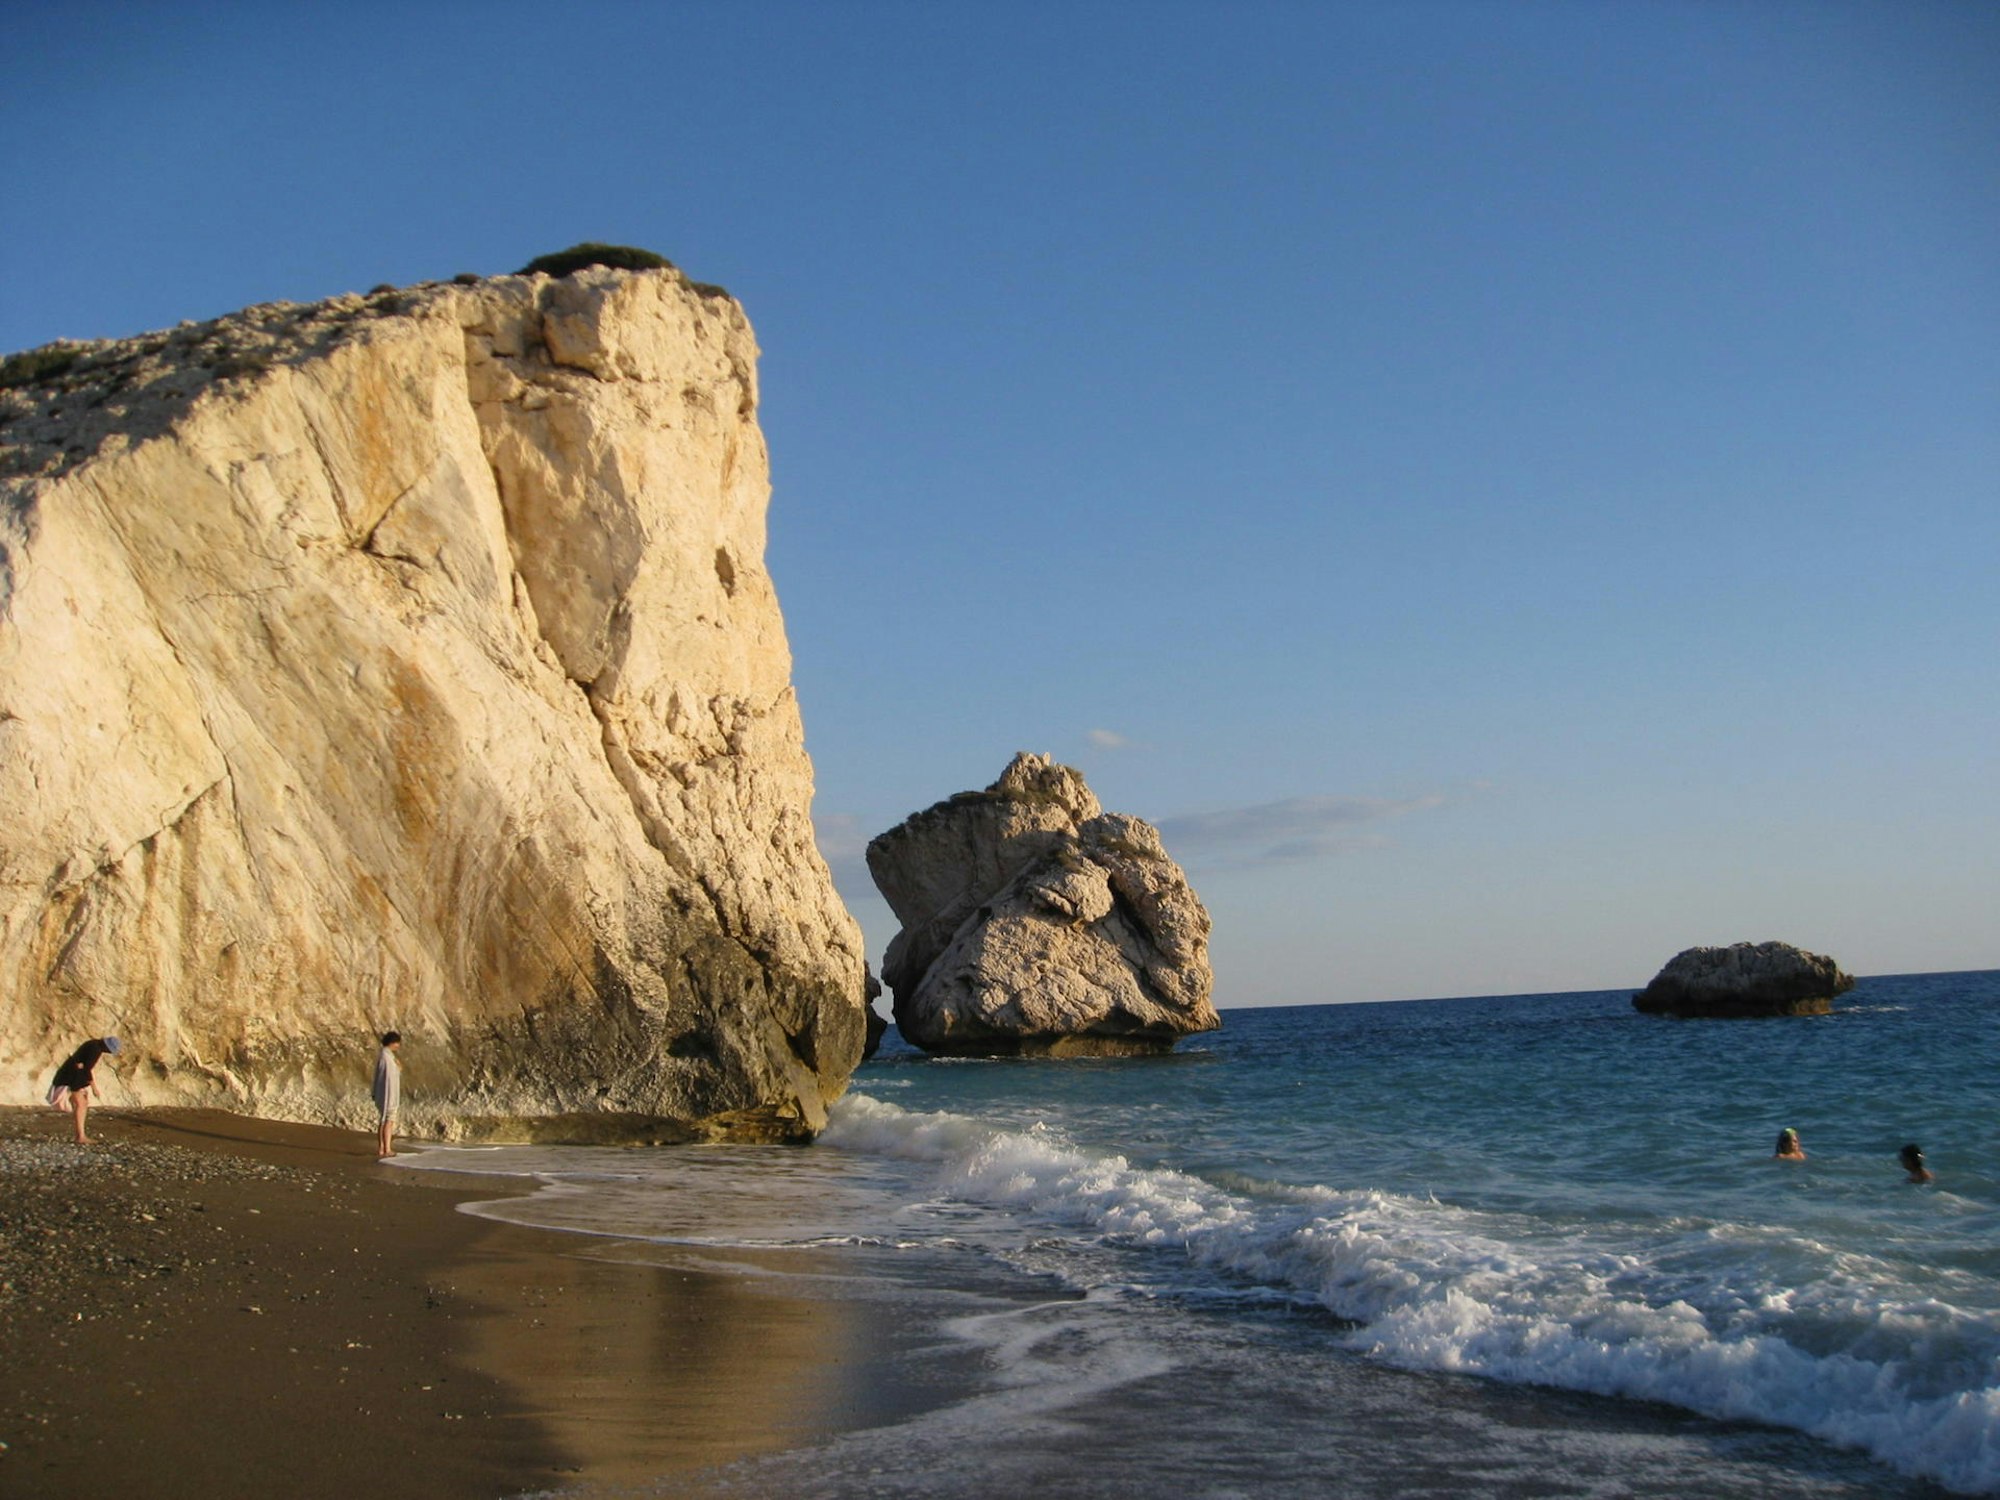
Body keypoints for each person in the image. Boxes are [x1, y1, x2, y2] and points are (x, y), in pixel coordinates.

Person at [47, 1037, 121, 1145]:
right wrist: (93, 1087)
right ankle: (80, 1136)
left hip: (73, 1074)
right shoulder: (95, 1050)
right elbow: (87, 1069)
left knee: (82, 1103)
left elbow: (82, 1065)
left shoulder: (93, 1044)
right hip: (72, 1076)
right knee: (81, 1104)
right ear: (107, 1047)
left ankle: (80, 1135)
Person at [372, 1031, 402, 1159]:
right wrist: (398, 1069)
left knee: (384, 1120)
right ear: (393, 1043)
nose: (399, 1046)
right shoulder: (386, 1057)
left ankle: (382, 1148)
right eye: (397, 1043)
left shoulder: (385, 1055)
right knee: (388, 1120)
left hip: (383, 1094)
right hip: (388, 1095)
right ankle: (386, 1148)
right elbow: (388, 1078)